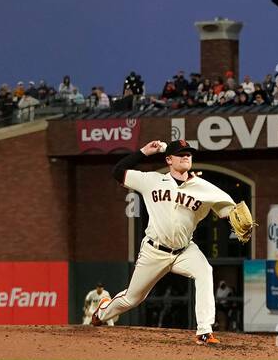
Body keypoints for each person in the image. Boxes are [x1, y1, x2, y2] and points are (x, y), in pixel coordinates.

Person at [91, 139, 253, 345]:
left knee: (205, 271)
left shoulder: (205, 188)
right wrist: (143, 152)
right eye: (181, 153)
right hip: (154, 250)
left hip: (185, 251)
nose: (186, 156)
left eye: (189, 154)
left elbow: (230, 210)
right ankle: (103, 311)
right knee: (132, 299)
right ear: (169, 159)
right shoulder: (151, 180)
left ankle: (204, 331)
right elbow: (118, 171)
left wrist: (235, 218)